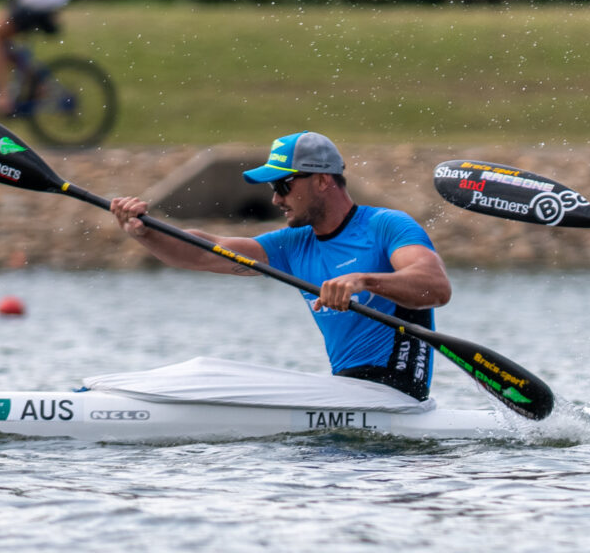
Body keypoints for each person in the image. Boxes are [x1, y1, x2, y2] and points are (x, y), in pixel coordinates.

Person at [107, 132, 452, 399]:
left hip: (396, 393)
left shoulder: (386, 226)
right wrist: (145, 232)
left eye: (284, 185)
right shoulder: (292, 245)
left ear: (322, 180)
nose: (275, 198)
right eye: (274, 187)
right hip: (349, 393)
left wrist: (364, 281)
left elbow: (435, 286)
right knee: (213, 371)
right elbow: (205, 250)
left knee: (220, 379)